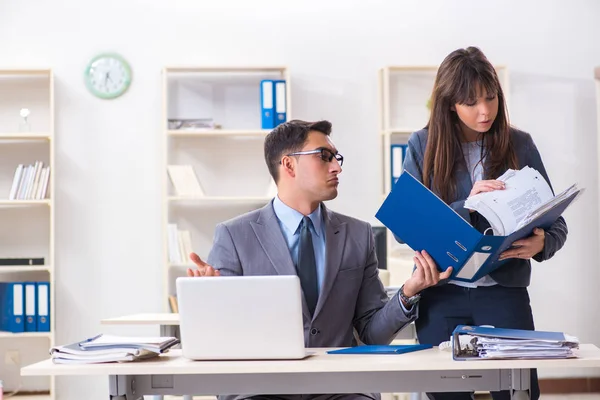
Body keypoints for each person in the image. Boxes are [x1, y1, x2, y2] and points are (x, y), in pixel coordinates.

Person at [187, 119, 453, 400]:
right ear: (288, 165)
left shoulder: (357, 234)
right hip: (261, 388)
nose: (337, 167)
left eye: (336, 158)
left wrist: (409, 292)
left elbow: (371, 334)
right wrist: (209, 300)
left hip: (339, 388)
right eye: (324, 157)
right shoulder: (234, 235)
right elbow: (221, 337)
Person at [401, 47, 568, 400]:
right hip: (443, 293)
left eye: (491, 98)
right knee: (446, 394)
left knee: (519, 393)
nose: (485, 111)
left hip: (504, 292)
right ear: (450, 104)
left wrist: (542, 244)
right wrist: (468, 204)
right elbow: (407, 227)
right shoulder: (422, 144)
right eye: (472, 102)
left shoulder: (519, 144)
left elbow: (557, 223)